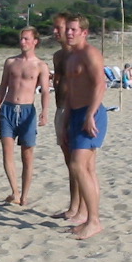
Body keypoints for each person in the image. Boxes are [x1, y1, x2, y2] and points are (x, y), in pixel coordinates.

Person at [0, 27, 50, 205]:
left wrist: (44, 112)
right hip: (7, 109)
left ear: (35, 41)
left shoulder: (41, 65)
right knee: (7, 151)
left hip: (27, 111)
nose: (22, 42)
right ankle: (15, 191)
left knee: (27, 154)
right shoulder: (10, 62)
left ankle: (24, 195)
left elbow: (45, 91)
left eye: (26, 39)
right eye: (21, 38)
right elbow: (3, 86)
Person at [61, 15, 108, 240]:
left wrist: (90, 114)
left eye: (74, 30)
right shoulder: (71, 57)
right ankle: (88, 218)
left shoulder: (91, 53)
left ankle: (94, 221)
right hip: (76, 114)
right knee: (87, 168)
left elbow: (100, 84)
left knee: (77, 165)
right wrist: (66, 120)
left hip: (92, 113)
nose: (69, 33)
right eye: (67, 29)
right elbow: (71, 92)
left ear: (84, 33)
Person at [51, 13, 80, 221]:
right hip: (61, 109)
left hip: (77, 110)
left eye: (58, 28)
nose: (55, 32)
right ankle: (74, 206)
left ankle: (81, 208)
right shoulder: (58, 56)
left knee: (80, 163)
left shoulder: (78, 55)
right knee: (69, 162)